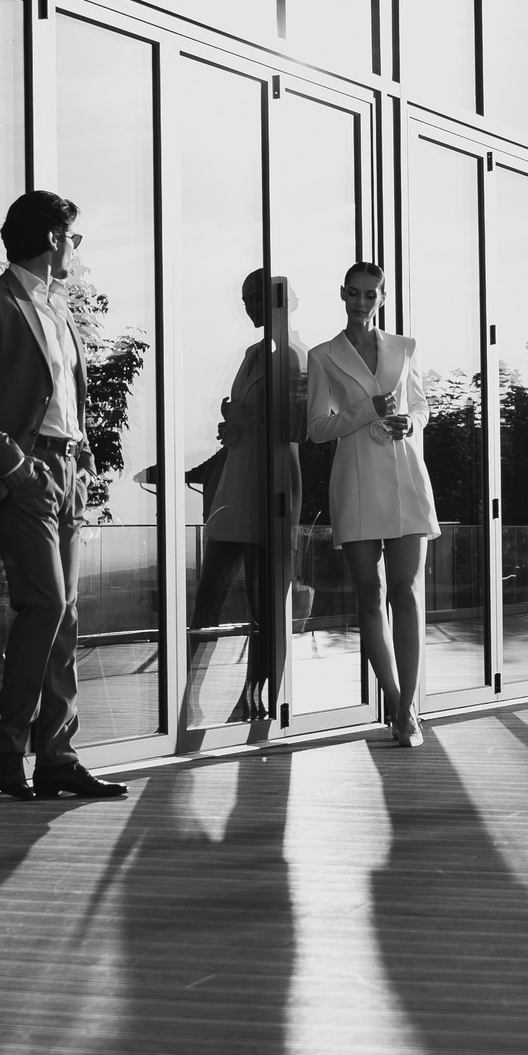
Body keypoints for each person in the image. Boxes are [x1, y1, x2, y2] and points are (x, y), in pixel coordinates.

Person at [0, 190, 128, 801]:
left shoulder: (58, 307)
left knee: (66, 615)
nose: (75, 248)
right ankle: (8, 742)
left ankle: (57, 757)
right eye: (73, 237)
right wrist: (14, 466)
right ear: (52, 239)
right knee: (46, 604)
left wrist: (86, 451)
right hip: (26, 474)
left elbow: (63, 392)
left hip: (69, 469)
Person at [304, 261, 438, 746]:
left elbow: (421, 405)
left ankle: (407, 711)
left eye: (371, 295)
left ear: (383, 297)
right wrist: (367, 410)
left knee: (405, 592)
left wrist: (410, 421)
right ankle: (395, 699)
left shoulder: (405, 348)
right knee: (369, 594)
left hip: (404, 475)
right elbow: (317, 429)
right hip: (356, 480)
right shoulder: (323, 356)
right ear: (342, 294)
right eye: (354, 294)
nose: (362, 303)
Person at [187, 268, 305, 725]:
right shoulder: (254, 352)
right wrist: (233, 425)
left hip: (270, 481)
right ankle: (185, 696)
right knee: (208, 596)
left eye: (255, 297)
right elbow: (251, 419)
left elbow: (297, 428)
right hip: (235, 480)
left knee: (263, 602)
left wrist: (251, 420)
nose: (248, 305)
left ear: (283, 301)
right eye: (244, 298)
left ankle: (256, 701)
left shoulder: (295, 355)